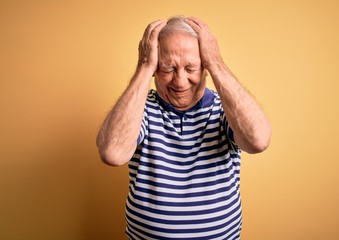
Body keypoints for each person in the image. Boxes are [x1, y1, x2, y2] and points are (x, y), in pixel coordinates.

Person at [96, 16, 271, 240]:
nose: (179, 82)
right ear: (155, 70)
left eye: (191, 68)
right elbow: (112, 153)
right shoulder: (139, 108)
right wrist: (144, 67)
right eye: (167, 68)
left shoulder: (226, 108)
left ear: (206, 67)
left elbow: (259, 141)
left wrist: (216, 62)